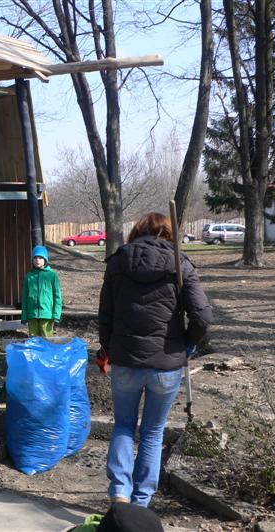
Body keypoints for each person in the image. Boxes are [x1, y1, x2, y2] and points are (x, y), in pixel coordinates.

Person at [98, 212, 212, 507]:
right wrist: (187, 344)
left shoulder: (117, 262)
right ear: (168, 234)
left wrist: (110, 349)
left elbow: (105, 316)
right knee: (152, 431)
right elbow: (201, 315)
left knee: (124, 425)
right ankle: (141, 502)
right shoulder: (180, 263)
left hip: (126, 360)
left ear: (137, 232)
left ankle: (119, 494)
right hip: (166, 363)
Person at [20, 245, 62, 337]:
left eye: (40, 257)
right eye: (35, 257)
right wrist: (24, 315)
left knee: (47, 340)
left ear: (45, 259)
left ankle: (48, 352)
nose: (37, 260)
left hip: (47, 315)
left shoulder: (52, 275)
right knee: (34, 341)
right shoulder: (29, 276)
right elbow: (25, 297)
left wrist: (56, 314)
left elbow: (57, 297)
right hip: (32, 315)